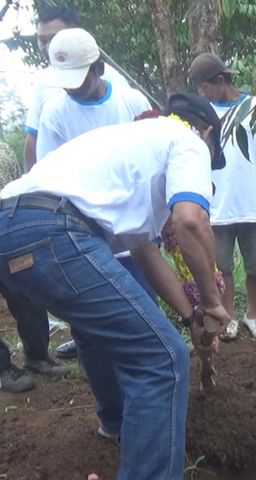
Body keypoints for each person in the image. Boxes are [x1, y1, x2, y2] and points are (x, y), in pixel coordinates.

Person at [0, 92, 230, 480]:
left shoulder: (128, 151)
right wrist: (213, 302)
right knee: (162, 358)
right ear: (208, 132)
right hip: (54, 228)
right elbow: (191, 220)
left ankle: (121, 427)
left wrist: (191, 315)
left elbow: (145, 252)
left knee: (113, 335)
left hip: (12, 225)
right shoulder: (188, 139)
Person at [35, 27, 152, 360]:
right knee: (95, 326)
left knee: (143, 308)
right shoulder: (55, 113)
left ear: (98, 68)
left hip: (134, 231)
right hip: (85, 234)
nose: (73, 90)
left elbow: (147, 159)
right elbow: (49, 176)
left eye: (80, 79)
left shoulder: (130, 101)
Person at [188, 53, 256, 340]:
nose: (201, 93)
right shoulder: (202, 112)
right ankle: (230, 317)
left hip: (250, 201)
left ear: (220, 80)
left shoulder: (254, 107)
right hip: (216, 204)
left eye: (204, 87)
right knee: (222, 267)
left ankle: (252, 314)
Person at [24, 5, 129, 170]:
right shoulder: (44, 82)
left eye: (55, 38)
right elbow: (33, 140)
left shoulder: (114, 81)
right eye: (42, 40)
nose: (49, 47)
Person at [0, 142, 69, 392]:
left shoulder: (4, 151)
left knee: (27, 295)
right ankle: (2, 369)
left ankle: (37, 357)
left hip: (8, 232)